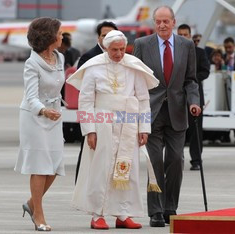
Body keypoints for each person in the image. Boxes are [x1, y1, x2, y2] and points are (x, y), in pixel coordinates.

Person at [66, 30, 160, 230]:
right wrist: (89, 130)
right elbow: (86, 101)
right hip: (102, 124)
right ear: (106, 48)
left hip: (128, 124)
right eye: (114, 50)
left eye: (122, 49)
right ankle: (97, 214)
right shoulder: (94, 68)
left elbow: (143, 100)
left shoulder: (133, 67)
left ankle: (123, 214)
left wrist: (144, 128)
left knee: (127, 170)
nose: (119, 53)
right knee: (102, 169)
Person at [133, 6, 201, 227]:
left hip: (178, 112)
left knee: (175, 161)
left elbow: (191, 79)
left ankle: (171, 207)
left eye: (166, 21)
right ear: (154, 23)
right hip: (150, 113)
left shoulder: (186, 45)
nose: (162, 25)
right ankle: (156, 211)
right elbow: (136, 79)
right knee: (155, 163)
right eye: (158, 21)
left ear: (173, 22)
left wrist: (194, 102)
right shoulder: (143, 45)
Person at [14, 17, 65, 232]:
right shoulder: (32, 62)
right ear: (49, 36)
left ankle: (31, 203)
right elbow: (31, 95)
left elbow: (57, 86)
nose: (63, 36)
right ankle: (39, 214)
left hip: (54, 116)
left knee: (54, 166)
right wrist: (43, 110)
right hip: (35, 117)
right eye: (60, 32)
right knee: (40, 166)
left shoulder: (59, 57)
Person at [75, 21, 118, 183]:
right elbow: (83, 90)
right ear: (98, 37)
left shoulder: (122, 57)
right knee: (88, 152)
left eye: (110, 35)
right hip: (95, 114)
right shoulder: (89, 57)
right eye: (103, 35)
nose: (107, 38)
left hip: (116, 117)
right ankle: (82, 188)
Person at [177, 24, 210, 171]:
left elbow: (205, 71)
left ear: (190, 36)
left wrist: (191, 80)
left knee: (195, 129)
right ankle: (176, 159)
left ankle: (196, 160)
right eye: (180, 34)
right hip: (176, 97)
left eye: (185, 34)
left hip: (194, 96)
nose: (183, 37)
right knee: (176, 129)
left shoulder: (199, 53)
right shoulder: (172, 52)